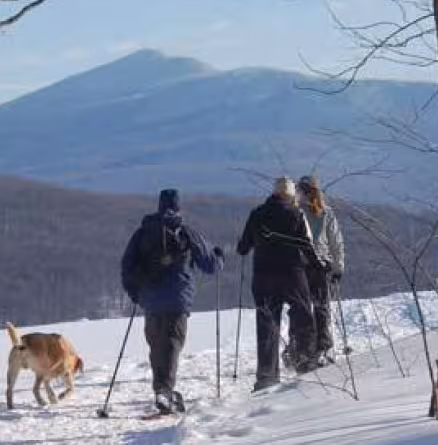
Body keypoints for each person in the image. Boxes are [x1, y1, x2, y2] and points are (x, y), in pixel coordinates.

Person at [121, 189, 224, 415]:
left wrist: (136, 294)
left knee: (157, 345)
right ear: (178, 208)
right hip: (177, 299)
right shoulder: (186, 232)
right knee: (172, 345)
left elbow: (127, 267)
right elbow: (210, 265)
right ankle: (164, 393)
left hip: (150, 300)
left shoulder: (143, 233)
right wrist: (219, 256)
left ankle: (161, 389)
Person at [236, 177, 319, 392]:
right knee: (302, 315)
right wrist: (319, 265)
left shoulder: (257, 214)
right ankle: (304, 363)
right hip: (293, 274)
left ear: (273, 194)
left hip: (263, 276)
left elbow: (243, 248)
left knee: (267, 324)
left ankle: (266, 376)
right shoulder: (297, 214)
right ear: (291, 195)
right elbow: (307, 245)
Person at [296, 175, 346, 366]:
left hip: (301, 265)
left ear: (302, 191)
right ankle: (322, 347)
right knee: (321, 306)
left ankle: (302, 348)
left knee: (302, 308)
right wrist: (338, 267)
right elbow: (336, 242)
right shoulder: (326, 213)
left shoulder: (297, 212)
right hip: (322, 266)